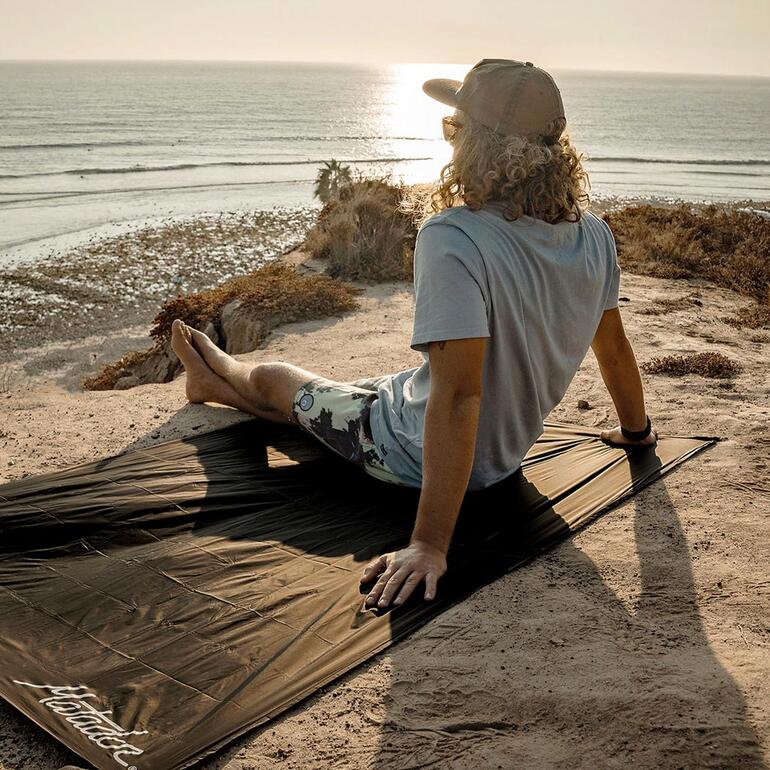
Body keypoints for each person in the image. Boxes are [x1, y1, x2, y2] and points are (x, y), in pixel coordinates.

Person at [169, 58, 656, 613]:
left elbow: (460, 395)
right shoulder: (593, 236)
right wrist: (636, 433)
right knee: (355, 391)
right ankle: (218, 386)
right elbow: (612, 347)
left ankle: (216, 369)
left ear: (479, 145)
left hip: (411, 452)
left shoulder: (456, 237)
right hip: (489, 446)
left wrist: (428, 545)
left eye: (458, 126)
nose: (451, 136)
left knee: (280, 379)